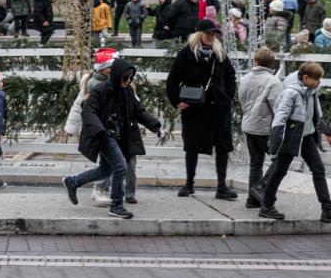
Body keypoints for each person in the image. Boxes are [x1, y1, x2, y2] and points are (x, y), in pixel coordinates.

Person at [65, 57, 160, 219]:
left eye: (130, 78)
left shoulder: (128, 91)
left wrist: (154, 124)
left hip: (119, 136)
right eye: (126, 78)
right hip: (105, 135)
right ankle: (117, 205)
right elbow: (88, 111)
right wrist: (99, 130)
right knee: (121, 167)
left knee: (105, 170)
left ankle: (73, 181)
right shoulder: (101, 90)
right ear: (117, 75)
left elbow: (139, 111)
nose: (128, 81)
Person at [165, 18, 238, 199]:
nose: (211, 37)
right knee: (192, 146)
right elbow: (172, 80)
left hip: (219, 108)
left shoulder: (220, 55)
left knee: (222, 146)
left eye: (214, 34)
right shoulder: (186, 54)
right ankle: (189, 183)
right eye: (208, 33)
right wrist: (177, 100)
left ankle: (222, 186)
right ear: (199, 35)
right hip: (195, 108)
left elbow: (230, 77)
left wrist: (227, 96)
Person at [255, 61, 329, 222]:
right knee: (279, 171)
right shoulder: (291, 93)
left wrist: (326, 131)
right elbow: (280, 117)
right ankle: (266, 206)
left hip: (307, 135)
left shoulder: (312, 90)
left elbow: (316, 113)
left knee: (318, 170)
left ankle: (327, 209)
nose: (319, 82)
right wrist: (275, 142)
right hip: (291, 136)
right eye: (316, 79)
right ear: (306, 77)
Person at [237, 47, 284, 210]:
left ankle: (252, 200)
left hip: (249, 125)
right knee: (280, 160)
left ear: (255, 61)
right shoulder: (274, 82)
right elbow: (278, 107)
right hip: (265, 128)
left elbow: (241, 100)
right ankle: (261, 188)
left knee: (255, 164)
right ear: (271, 64)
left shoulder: (245, 78)